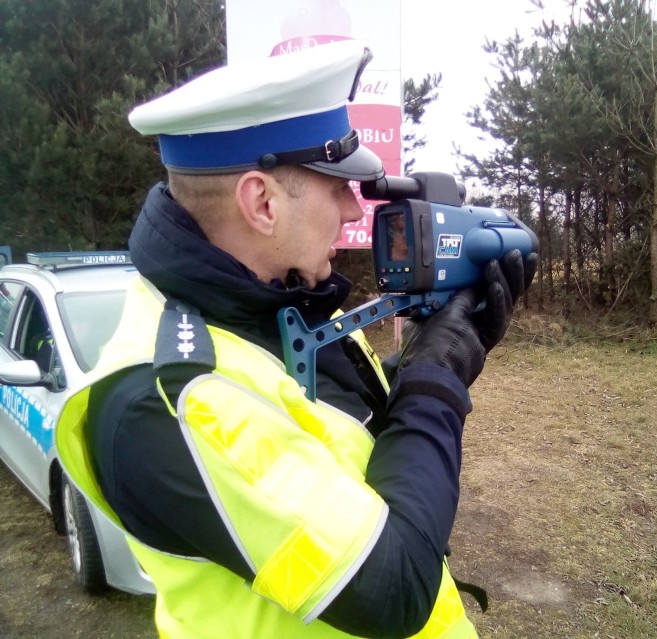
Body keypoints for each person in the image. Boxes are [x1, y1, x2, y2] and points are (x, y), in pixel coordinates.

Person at [57, 41, 536, 639]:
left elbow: (331, 435)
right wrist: (434, 383)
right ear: (261, 202)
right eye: (336, 185)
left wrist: (433, 355)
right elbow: (394, 589)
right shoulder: (168, 404)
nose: (350, 209)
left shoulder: (266, 307)